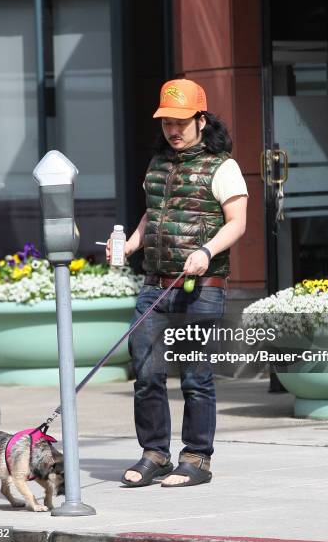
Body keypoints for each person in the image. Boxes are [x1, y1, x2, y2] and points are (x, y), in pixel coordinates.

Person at [106, 78, 248, 487]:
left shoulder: (223, 166)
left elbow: (237, 223)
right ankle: (154, 454)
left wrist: (205, 252)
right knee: (147, 374)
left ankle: (197, 459)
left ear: (201, 119)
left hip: (201, 288)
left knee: (195, 377)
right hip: (154, 283)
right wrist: (130, 244)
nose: (173, 129)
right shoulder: (158, 164)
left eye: (182, 121)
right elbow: (154, 214)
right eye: (167, 121)